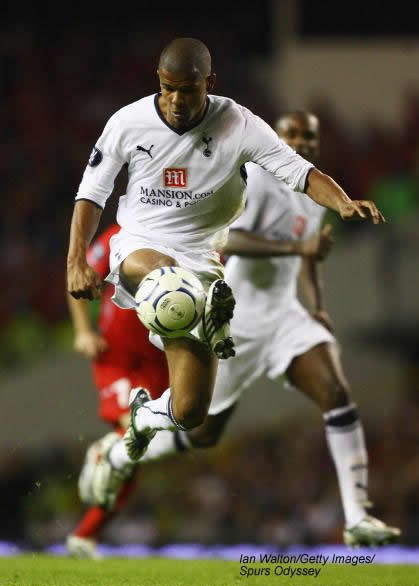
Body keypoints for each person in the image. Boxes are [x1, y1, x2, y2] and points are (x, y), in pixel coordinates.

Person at [66, 37, 384, 512]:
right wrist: (74, 261)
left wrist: (342, 200)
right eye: (168, 88)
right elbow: (91, 196)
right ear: (159, 81)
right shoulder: (127, 123)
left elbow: (300, 172)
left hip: (201, 261)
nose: (176, 100)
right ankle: (198, 304)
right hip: (138, 247)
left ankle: (144, 419)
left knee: (192, 413)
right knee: (172, 285)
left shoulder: (238, 123)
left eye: (188, 90)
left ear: (209, 84)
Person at [66, 223, 170, 558]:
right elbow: (79, 277)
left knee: (134, 455)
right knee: (130, 431)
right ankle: (104, 456)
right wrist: (83, 331)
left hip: (160, 360)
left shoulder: (194, 236)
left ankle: (85, 535)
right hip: (119, 356)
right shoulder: (118, 236)